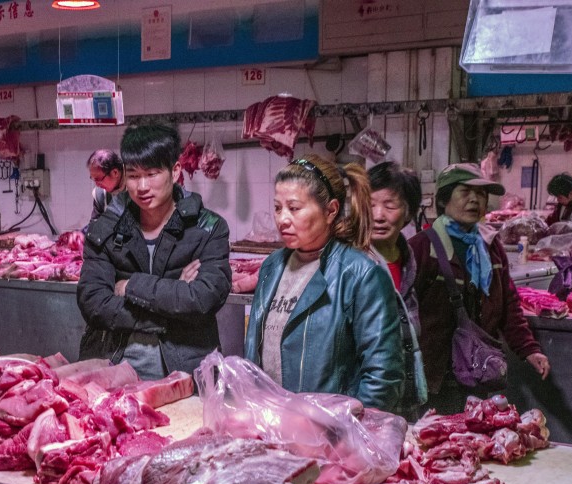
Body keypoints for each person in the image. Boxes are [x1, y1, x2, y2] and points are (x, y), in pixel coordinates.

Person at [244, 154, 405, 410]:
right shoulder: (271, 267)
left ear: (331, 210)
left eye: (294, 208)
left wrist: (344, 431)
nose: (282, 218)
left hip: (328, 434)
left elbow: (383, 378)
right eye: (277, 207)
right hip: (272, 424)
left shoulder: (360, 274)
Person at [77, 121, 232, 379]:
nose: (142, 186)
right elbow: (93, 303)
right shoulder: (105, 229)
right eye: (134, 175)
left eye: (152, 174)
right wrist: (169, 307)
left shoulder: (208, 228)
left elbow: (203, 299)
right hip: (112, 372)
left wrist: (129, 287)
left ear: (175, 171)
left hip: (186, 374)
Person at [408, 163, 551, 414]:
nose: (475, 200)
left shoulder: (490, 247)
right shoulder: (421, 248)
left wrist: (528, 349)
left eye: (481, 194)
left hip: (477, 373)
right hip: (433, 379)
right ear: (444, 200)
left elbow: (508, 304)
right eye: (465, 192)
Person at [368, 161, 427, 417]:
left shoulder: (409, 260)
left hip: (406, 399)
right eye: (369, 205)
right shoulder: (348, 264)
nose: (378, 215)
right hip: (365, 406)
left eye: (389, 205)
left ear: (408, 212)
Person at [87, 149, 125, 220]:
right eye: (94, 179)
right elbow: (95, 225)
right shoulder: (100, 194)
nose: (97, 184)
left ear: (115, 172)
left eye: (99, 179)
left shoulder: (137, 187)